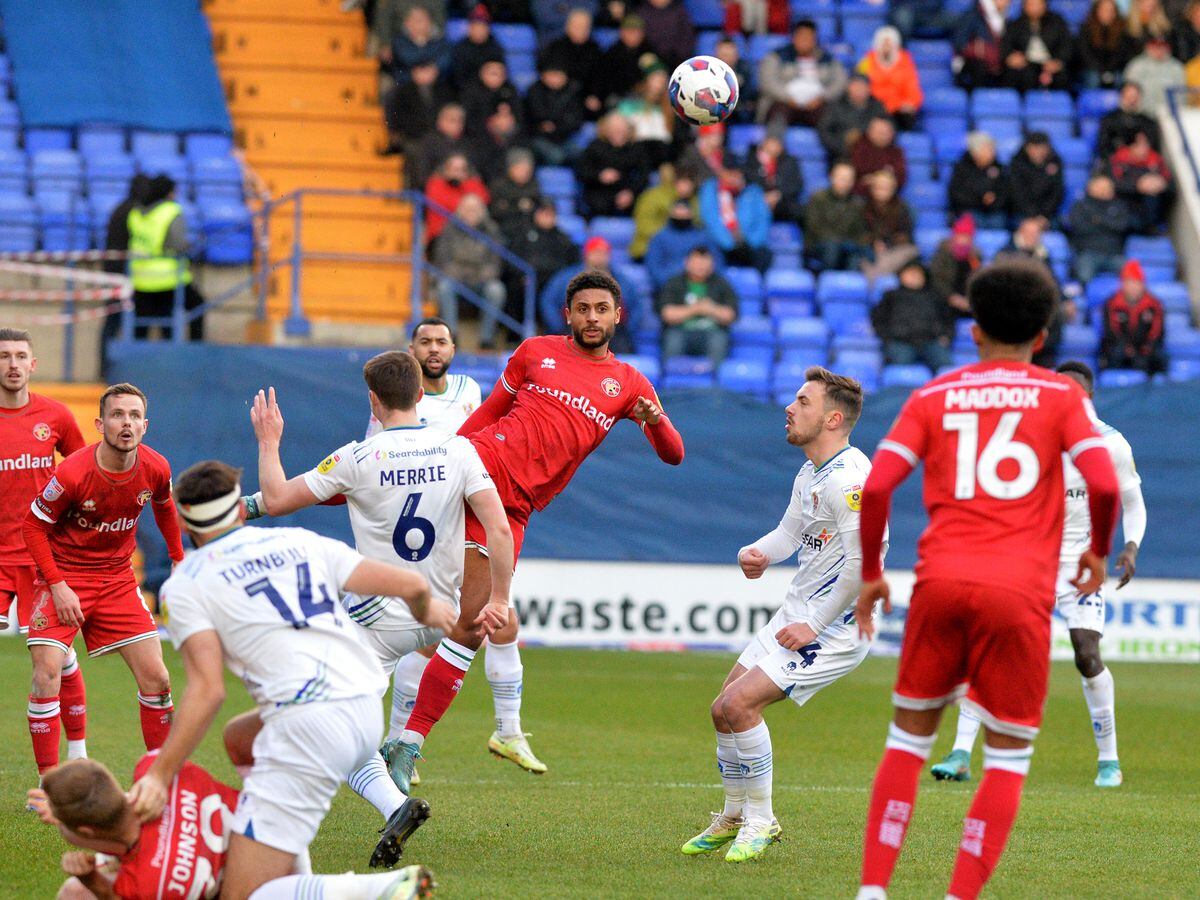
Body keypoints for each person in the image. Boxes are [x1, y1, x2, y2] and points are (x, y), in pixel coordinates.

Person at [853, 259, 1120, 900]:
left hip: (940, 583)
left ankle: (872, 891)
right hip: (1019, 593)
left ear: (971, 329)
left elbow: (879, 484)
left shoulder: (933, 396)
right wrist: (1100, 553)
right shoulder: (1062, 398)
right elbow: (1105, 482)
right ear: (1044, 336)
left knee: (907, 741)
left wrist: (870, 574)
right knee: (1006, 758)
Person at [381, 270, 686, 795]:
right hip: (478, 468)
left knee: (473, 624)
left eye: (602, 309)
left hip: (516, 509)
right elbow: (488, 416)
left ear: (618, 316)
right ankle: (409, 739)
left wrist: (654, 420)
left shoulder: (630, 384)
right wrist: (437, 458)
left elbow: (674, 454)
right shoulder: (534, 352)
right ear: (567, 315)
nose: (592, 317)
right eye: (583, 308)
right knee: (429, 595)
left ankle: (406, 742)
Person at [125, 458, 449, 896]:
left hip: (309, 725)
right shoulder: (300, 541)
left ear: (184, 524)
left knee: (243, 895)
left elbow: (207, 689)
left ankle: (383, 890)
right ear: (240, 510)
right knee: (240, 738)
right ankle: (289, 853)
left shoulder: (186, 585)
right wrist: (429, 613)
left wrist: (161, 775)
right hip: (364, 706)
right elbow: (412, 587)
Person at [682, 368, 880, 862]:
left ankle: (762, 820)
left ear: (833, 418)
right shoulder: (813, 471)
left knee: (741, 706)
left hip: (832, 627)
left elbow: (863, 565)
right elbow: (790, 535)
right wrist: (760, 552)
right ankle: (733, 813)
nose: (790, 409)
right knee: (721, 708)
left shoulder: (851, 482)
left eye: (803, 402)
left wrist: (812, 625)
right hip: (798, 613)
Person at [930, 360, 1146, 790]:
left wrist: (1130, 545)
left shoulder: (1111, 444)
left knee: (1086, 653)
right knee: (992, 649)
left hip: (1080, 567)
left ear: (1090, 397)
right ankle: (959, 752)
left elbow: (1133, 502)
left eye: (1077, 392)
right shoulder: (1028, 437)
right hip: (1027, 561)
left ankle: (1109, 761)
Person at [22, 383, 185, 775]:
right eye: (117, 415)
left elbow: (165, 507)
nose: (125, 423)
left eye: (133, 416)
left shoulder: (156, 467)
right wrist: (58, 585)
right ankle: (49, 783)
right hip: (63, 575)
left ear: (145, 425)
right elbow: (32, 527)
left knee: (158, 677)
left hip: (116, 580)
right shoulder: (73, 472)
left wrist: (180, 560)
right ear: (100, 423)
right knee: (46, 673)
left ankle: (161, 780)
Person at [32, 757, 436, 900]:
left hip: (257, 873)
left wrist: (90, 878)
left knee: (73, 892)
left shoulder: (147, 883)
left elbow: (124, 857)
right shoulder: (162, 774)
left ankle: (374, 890)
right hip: (278, 820)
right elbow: (125, 830)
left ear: (85, 829)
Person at [0, 329, 89, 772]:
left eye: (20, 356)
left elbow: (86, 475)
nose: (12, 364)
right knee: (51, 660)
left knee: (48, 664)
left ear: (33, 364)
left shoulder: (55, 416)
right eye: (3, 356)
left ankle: (69, 763)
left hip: (43, 560)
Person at [127, 175, 203, 342]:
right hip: (167, 278)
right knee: (197, 306)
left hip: (140, 279)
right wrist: (193, 246)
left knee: (140, 330)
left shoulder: (136, 212)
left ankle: (136, 364)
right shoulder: (171, 211)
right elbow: (177, 244)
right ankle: (196, 351)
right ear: (168, 192)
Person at [540, 236, 644, 352]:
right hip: (573, 331)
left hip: (613, 334)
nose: (599, 257)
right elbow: (548, 301)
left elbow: (637, 306)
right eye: (595, 253)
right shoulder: (566, 277)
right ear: (586, 255)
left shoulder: (622, 280)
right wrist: (558, 327)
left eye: (602, 253)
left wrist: (627, 329)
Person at [432, 194, 507, 349]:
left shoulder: (491, 230)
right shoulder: (449, 228)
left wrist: (479, 275)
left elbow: (495, 261)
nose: (470, 213)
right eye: (467, 209)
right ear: (460, 211)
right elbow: (443, 259)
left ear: (482, 211)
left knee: (496, 290)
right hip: (457, 278)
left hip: (482, 280)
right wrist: (462, 274)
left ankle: (487, 339)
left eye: (474, 209)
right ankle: (451, 336)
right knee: (444, 287)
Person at [656, 246, 738, 367]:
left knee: (719, 341)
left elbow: (730, 315)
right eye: (697, 262)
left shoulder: (722, 284)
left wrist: (711, 309)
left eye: (705, 262)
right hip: (680, 331)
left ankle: (715, 382)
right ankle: (671, 379)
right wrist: (695, 309)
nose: (701, 266)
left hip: (712, 332)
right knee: (673, 340)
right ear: (687, 263)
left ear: (712, 265)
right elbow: (667, 314)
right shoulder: (674, 283)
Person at [100, 174, 150, 372]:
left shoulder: (119, 209)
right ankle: (117, 368)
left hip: (112, 272)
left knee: (113, 321)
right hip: (125, 275)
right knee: (118, 321)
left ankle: (105, 367)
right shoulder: (134, 212)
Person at [758, 19, 848, 127]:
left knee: (831, 116)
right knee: (777, 114)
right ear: (794, 37)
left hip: (816, 104)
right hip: (784, 103)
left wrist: (822, 97)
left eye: (809, 37)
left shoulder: (827, 59)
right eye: (801, 36)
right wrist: (788, 98)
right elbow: (768, 82)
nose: (805, 40)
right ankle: (773, 142)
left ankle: (835, 143)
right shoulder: (777, 57)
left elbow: (840, 82)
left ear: (815, 39)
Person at [871, 259, 953, 370]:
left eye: (918, 273)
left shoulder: (935, 297)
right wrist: (887, 339)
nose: (914, 276)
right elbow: (878, 319)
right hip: (900, 342)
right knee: (899, 371)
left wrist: (946, 336)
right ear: (901, 276)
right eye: (910, 273)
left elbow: (948, 319)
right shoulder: (891, 296)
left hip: (931, 341)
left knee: (946, 368)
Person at [1100, 259, 1168, 374]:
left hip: (1145, 350)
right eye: (1128, 282)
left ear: (1142, 284)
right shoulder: (1111, 304)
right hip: (1120, 348)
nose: (1132, 287)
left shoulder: (1154, 305)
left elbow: (1158, 332)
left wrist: (1145, 349)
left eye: (1136, 282)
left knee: (1157, 358)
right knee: (1114, 355)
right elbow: (1110, 332)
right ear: (1122, 284)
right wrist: (1127, 349)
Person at [576, 112, 649, 217]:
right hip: (599, 191)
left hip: (626, 191)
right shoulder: (595, 147)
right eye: (614, 129)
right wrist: (600, 175)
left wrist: (631, 193)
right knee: (597, 205)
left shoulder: (636, 149)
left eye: (622, 129)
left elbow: (643, 175)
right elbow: (581, 171)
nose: (619, 132)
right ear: (607, 130)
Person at [698, 171, 773, 273]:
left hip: (749, 244)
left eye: (737, 175)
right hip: (722, 244)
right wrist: (729, 243)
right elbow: (711, 219)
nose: (734, 179)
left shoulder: (753, 191)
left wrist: (751, 243)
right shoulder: (711, 190)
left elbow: (763, 220)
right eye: (730, 174)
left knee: (763, 255)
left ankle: (761, 286)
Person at [803, 160, 870, 272]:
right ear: (832, 177)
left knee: (857, 254)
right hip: (819, 244)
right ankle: (827, 281)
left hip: (847, 246)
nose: (845, 183)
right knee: (832, 247)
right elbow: (814, 227)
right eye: (842, 178)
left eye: (849, 179)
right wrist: (837, 240)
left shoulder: (858, 203)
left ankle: (849, 285)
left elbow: (860, 231)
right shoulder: (818, 198)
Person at [507, 199, 581, 298]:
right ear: (536, 214)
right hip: (527, 279)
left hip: (554, 280)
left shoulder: (562, 238)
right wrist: (521, 275)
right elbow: (512, 258)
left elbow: (573, 262)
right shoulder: (523, 234)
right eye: (544, 213)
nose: (547, 217)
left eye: (551, 214)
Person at [538, 9, 604, 119]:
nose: (581, 30)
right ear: (568, 26)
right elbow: (545, 69)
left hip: (585, 96)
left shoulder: (595, 49)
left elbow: (600, 76)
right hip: (559, 93)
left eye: (585, 27)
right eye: (577, 26)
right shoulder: (555, 47)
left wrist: (595, 95)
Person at [383, 59, 455, 158]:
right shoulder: (403, 92)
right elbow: (399, 118)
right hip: (413, 136)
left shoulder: (445, 91)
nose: (425, 75)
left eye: (428, 71)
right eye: (421, 71)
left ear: (435, 72)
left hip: (440, 136)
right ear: (414, 73)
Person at [643, 199, 720, 290]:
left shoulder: (703, 237)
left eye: (685, 211)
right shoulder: (659, 238)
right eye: (678, 211)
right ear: (671, 213)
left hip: (702, 287)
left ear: (691, 213)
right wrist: (672, 286)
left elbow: (717, 264)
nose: (681, 214)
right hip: (669, 288)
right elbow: (654, 268)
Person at [857, 27, 923, 131]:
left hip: (897, 111)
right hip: (873, 109)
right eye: (883, 44)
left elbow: (913, 89)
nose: (886, 48)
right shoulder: (866, 62)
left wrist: (911, 103)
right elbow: (859, 84)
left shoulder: (906, 63)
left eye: (889, 44)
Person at [1108, 129, 1173, 234]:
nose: (1143, 147)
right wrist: (1138, 186)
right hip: (1126, 206)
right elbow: (1112, 184)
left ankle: (1152, 227)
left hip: (1151, 206)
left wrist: (1161, 184)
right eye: (1138, 143)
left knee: (1152, 195)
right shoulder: (1119, 159)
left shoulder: (1156, 159)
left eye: (1145, 143)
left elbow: (1171, 186)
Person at [1068, 174, 1131, 283]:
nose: (1104, 190)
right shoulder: (1080, 206)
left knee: (1132, 274)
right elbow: (1080, 228)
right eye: (1100, 186)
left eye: (1107, 187)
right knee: (1084, 276)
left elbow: (1122, 226)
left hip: (1114, 254)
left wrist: (1097, 220)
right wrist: (1109, 225)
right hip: (1088, 252)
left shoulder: (1119, 206)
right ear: (1090, 187)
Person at [1000, 0, 1073, 92]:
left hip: (1051, 63)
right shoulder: (1015, 24)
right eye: (1031, 4)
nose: (1035, 8)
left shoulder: (1057, 22)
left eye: (1038, 4)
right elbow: (1006, 46)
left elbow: (1066, 45)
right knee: (1017, 75)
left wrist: (1059, 61)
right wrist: (1011, 57)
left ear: (1045, 5)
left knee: (1063, 77)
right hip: (1026, 65)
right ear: (1024, 6)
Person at [524, 57, 584, 166]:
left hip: (564, 137)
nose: (555, 79)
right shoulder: (534, 92)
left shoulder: (572, 91)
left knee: (580, 154)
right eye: (552, 74)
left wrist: (556, 126)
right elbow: (536, 118)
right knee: (555, 156)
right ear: (543, 75)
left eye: (559, 75)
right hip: (538, 137)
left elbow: (576, 120)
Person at [861, 170, 918, 281]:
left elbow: (905, 235)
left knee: (910, 252)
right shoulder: (863, 208)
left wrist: (887, 243)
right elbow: (859, 232)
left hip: (894, 250)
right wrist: (874, 242)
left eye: (886, 187)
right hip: (869, 251)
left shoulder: (902, 208)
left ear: (893, 189)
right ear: (872, 188)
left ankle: (877, 281)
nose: (882, 191)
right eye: (879, 187)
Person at [630, 168, 699, 260]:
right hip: (648, 247)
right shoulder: (653, 196)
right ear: (675, 181)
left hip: (684, 250)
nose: (686, 187)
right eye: (683, 182)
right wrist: (670, 238)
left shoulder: (695, 201)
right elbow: (644, 225)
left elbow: (698, 224)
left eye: (689, 183)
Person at [818, 72, 887, 162]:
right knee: (844, 173)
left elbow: (889, 129)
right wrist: (844, 144)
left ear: (869, 89)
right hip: (841, 156)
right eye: (856, 86)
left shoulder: (878, 107)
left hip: (872, 156)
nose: (859, 89)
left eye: (862, 86)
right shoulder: (835, 106)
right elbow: (824, 131)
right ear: (848, 87)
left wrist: (863, 137)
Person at [423, 153, 489, 245]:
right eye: (454, 169)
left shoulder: (473, 184)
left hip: (470, 235)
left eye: (462, 170)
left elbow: (482, 201)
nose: (458, 173)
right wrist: (466, 206)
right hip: (440, 236)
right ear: (445, 170)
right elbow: (450, 205)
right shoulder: (435, 185)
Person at [740, 133, 805, 225]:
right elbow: (747, 183)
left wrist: (778, 194)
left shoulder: (790, 161)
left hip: (782, 203)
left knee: (799, 211)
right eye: (772, 141)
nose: (774, 146)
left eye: (778, 143)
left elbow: (797, 185)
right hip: (757, 202)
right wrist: (762, 196)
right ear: (764, 142)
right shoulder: (752, 159)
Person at [948, 131, 1009, 228]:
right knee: (973, 219)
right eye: (988, 149)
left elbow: (1005, 191)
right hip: (970, 209)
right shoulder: (962, 168)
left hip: (994, 210)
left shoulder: (999, 168)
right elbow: (957, 194)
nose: (993, 152)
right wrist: (981, 200)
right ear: (975, 152)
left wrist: (994, 200)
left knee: (998, 220)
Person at [593, 15, 652, 109]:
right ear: (622, 32)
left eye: (637, 32)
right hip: (618, 97)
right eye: (630, 31)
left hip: (643, 96)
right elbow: (602, 79)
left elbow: (656, 73)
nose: (634, 35)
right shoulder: (612, 53)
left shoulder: (649, 51)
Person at [929, 213, 982, 317]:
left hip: (968, 301)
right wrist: (951, 297)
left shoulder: (975, 256)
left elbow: (977, 280)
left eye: (967, 236)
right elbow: (936, 279)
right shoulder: (943, 253)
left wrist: (969, 300)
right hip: (945, 299)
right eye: (960, 235)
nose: (963, 240)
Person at [1077, 0, 1138, 89]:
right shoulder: (1086, 29)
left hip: (1115, 69)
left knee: (1121, 79)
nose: (1108, 14)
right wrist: (1101, 70)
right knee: (1093, 79)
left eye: (1111, 11)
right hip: (1092, 69)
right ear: (1096, 11)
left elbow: (1122, 54)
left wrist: (1109, 71)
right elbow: (1085, 54)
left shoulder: (1122, 30)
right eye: (1104, 10)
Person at [409, 103, 471, 190]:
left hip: (463, 189)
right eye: (452, 120)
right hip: (436, 189)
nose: (457, 125)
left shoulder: (467, 144)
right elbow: (422, 175)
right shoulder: (428, 143)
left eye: (460, 121)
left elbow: (473, 173)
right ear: (440, 121)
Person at [1007, 132, 1064, 226]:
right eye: (1035, 148)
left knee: (1055, 228)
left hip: (1048, 214)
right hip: (1023, 212)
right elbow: (1017, 192)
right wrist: (1033, 215)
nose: (1039, 152)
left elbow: (1057, 191)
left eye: (1043, 148)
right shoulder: (1017, 163)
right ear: (1027, 148)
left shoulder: (1055, 162)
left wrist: (1044, 214)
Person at [953, 0, 1011, 89]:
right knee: (979, 67)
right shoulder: (972, 15)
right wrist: (978, 49)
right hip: (974, 66)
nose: (1007, 2)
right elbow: (959, 43)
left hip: (998, 65)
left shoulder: (1007, 19)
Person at [1096, 81, 1162, 160]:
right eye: (1129, 97)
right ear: (1122, 96)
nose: (1132, 101)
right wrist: (1128, 152)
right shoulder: (1109, 120)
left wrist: (1143, 149)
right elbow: (1104, 149)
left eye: (1135, 97)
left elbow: (1154, 147)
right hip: (1118, 165)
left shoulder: (1148, 122)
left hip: (1143, 165)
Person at [388, 6, 451, 86]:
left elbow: (446, 60)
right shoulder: (399, 41)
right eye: (413, 20)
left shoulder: (441, 40)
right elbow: (408, 59)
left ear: (429, 22)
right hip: (405, 85)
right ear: (406, 23)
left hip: (437, 85)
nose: (416, 23)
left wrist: (434, 69)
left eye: (420, 20)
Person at [489, 147, 545, 236]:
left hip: (531, 229)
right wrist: (518, 206)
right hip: (506, 229)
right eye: (520, 169)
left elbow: (540, 205)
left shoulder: (534, 185)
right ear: (510, 168)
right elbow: (496, 210)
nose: (524, 173)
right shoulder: (499, 186)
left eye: (528, 170)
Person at [1123, 36, 1185, 114]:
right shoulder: (1136, 65)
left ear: (1168, 48)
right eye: (1155, 46)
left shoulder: (1176, 67)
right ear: (1148, 47)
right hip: (1141, 114)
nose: (1158, 50)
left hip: (1168, 114)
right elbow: (1129, 93)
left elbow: (1181, 96)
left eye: (1162, 46)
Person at [449, 4, 505, 90]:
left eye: (483, 26)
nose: (479, 30)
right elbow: (459, 77)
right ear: (469, 28)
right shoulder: (461, 48)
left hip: (492, 88)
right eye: (476, 26)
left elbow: (500, 71)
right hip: (468, 90)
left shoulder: (495, 46)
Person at [850, 115, 906, 195]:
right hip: (861, 196)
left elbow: (900, 177)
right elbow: (857, 174)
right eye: (880, 133)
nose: (883, 136)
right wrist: (885, 174)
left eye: (886, 133)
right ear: (870, 132)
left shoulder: (896, 152)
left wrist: (876, 179)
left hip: (889, 196)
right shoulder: (859, 148)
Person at [635, 0, 696, 72]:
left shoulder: (680, 12)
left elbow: (687, 40)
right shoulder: (640, 13)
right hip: (651, 62)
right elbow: (637, 42)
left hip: (676, 61)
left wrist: (677, 58)